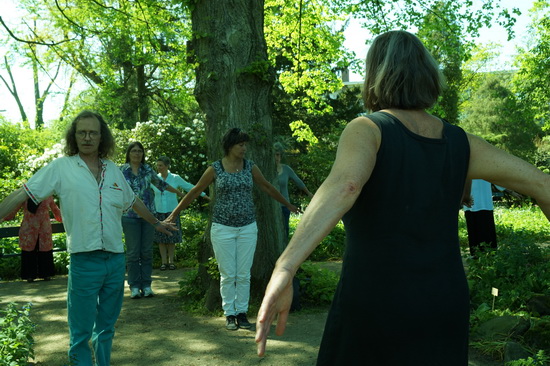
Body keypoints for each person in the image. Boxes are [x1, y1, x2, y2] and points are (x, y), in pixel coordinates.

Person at [255, 30, 550, 365]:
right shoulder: (462, 142)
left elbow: (346, 186)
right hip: (444, 302)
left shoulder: (367, 129)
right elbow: (544, 185)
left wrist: (286, 264)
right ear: (427, 74)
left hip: (376, 301)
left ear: (374, 74)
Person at [0, 110, 176, 366]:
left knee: (106, 329)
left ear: (101, 136)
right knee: (80, 333)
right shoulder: (61, 168)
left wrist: (156, 222)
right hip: (84, 262)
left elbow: (133, 201)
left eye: (93, 132)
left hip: (115, 261)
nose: (87, 137)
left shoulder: (114, 170)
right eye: (81, 132)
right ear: (74, 136)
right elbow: (22, 193)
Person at [166, 127, 300, 331]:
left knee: (244, 273)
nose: (244, 148)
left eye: (245, 144)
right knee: (228, 274)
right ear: (230, 146)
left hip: (247, 227)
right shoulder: (216, 168)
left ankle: (242, 313)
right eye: (241, 145)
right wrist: (174, 213)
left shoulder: (250, 167)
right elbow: (195, 191)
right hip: (222, 228)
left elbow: (267, 187)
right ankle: (229, 313)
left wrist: (287, 205)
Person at [120, 142, 186, 299]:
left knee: (147, 252)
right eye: (134, 151)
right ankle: (134, 286)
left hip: (149, 217)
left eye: (139, 151)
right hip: (129, 217)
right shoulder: (121, 171)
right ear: (129, 153)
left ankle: (147, 285)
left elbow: (161, 185)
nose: (137, 154)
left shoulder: (147, 170)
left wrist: (181, 194)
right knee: (133, 252)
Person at [152, 155, 210, 270]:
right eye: (157, 165)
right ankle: (164, 262)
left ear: (167, 166)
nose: (159, 168)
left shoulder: (175, 178)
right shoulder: (154, 178)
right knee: (161, 238)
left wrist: (204, 195)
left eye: (161, 165)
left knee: (172, 237)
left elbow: (189, 187)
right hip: (158, 211)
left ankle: (171, 262)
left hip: (172, 211)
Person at [3, 196, 62, 282]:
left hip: (44, 229)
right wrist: (3, 217)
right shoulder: (25, 196)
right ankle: (29, 276)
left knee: (45, 251)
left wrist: (66, 219)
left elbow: (55, 209)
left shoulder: (47, 195)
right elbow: (14, 210)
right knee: (28, 252)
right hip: (29, 229)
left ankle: (46, 274)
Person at [273, 142, 313, 239]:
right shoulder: (265, 170)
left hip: (285, 206)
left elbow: (298, 182)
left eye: (278, 154)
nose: (276, 157)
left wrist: (309, 193)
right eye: (274, 155)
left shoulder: (286, 169)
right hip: (271, 207)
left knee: (284, 231)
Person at [462, 179, 499, 257]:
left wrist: (511, 191)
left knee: (486, 231)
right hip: (470, 202)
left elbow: (497, 179)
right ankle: (476, 255)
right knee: (473, 231)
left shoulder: (488, 167)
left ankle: (489, 255)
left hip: (484, 202)